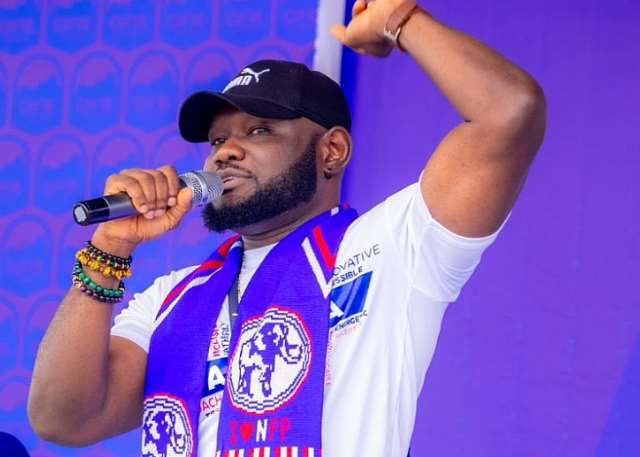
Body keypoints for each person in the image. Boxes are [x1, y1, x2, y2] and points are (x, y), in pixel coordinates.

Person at [28, 1, 546, 456]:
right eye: (217, 140)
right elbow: (64, 419)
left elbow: (509, 113)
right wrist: (110, 248)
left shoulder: (394, 247)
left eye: (259, 131)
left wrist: (399, 19)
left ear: (332, 151)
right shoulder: (171, 299)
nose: (225, 153)